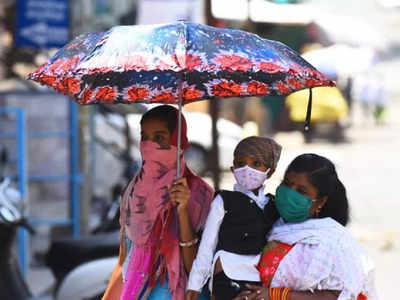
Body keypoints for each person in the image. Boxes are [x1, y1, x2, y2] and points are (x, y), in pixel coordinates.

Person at [102, 105, 214, 300]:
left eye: (160, 138)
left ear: (179, 140)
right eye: (144, 137)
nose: (149, 145)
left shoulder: (200, 193)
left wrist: (183, 213)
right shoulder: (135, 191)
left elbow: (198, 269)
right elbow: (124, 259)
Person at [234, 154, 377, 300]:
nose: (290, 193)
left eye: (301, 191)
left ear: (320, 202)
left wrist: (277, 295)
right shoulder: (272, 224)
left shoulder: (335, 243)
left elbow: (340, 295)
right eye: (287, 184)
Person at [186, 136, 282, 300]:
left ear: (270, 171)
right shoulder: (223, 200)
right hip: (226, 276)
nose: (246, 169)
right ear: (232, 169)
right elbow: (207, 247)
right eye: (240, 163)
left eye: (256, 164)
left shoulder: (273, 205)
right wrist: (194, 285)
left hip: (259, 281)